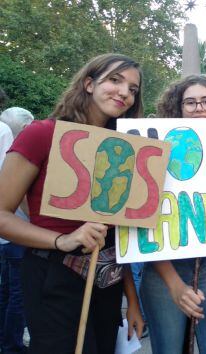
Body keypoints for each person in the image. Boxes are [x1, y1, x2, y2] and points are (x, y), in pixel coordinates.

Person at [0, 53, 144, 353]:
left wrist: (132, 300)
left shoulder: (128, 149)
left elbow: (122, 234)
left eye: (132, 89)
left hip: (108, 284)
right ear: (89, 83)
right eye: (115, 80)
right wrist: (62, 239)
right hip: (52, 277)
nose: (124, 93)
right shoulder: (41, 134)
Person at [139, 74, 206, 354]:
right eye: (191, 102)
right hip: (164, 271)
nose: (199, 108)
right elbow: (141, 223)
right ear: (178, 108)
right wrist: (174, 284)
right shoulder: (156, 149)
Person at [0, 107, 33, 354]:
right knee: (19, 294)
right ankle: (12, 345)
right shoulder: (11, 142)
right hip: (18, 230)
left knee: (6, 291)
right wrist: (36, 221)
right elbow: (19, 190)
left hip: (4, 236)